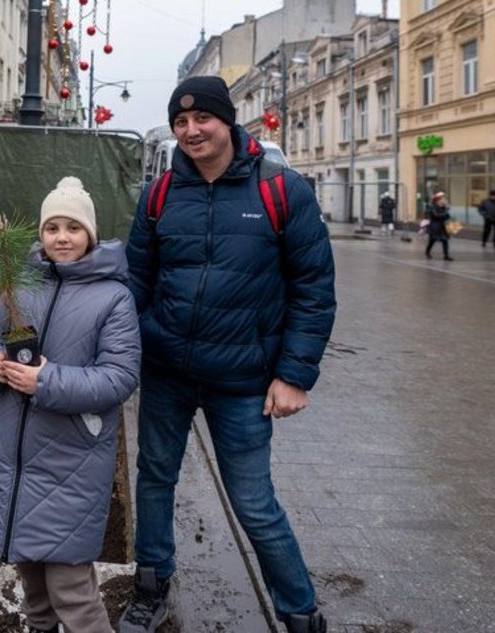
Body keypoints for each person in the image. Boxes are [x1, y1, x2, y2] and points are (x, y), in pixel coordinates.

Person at [120, 76, 336, 633]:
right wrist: (128, 344)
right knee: (154, 479)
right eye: (181, 122)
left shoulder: (282, 190)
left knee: (254, 504)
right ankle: (151, 588)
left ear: (227, 121)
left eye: (202, 119)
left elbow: (314, 289)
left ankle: (300, 613)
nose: (191, 131)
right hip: (167, 372)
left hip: (243, 381)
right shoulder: (159, 194)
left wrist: (294, 375)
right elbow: (136, 280)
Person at [0, 176, 141, 633]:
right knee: (32, 581)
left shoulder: (113, 298)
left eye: (73, 227)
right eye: (52, 228)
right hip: (15, 459)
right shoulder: (21, 286)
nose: (62, 237)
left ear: (90, 234)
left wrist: (44, 381)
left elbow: (119, 377)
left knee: (71, 589)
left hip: (71, 461)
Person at [425, 191, 454, 261]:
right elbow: (436, 215)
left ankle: (446, 256)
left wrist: (446, 210)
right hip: (435, 226)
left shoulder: (444, 207)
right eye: (442, 199)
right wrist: (446, 211)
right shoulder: (432, 207)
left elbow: (447, 217)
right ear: (438, 200)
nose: (444, 200)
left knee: (445, 240)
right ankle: (427, 252)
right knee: (432, 240)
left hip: (443, 226)